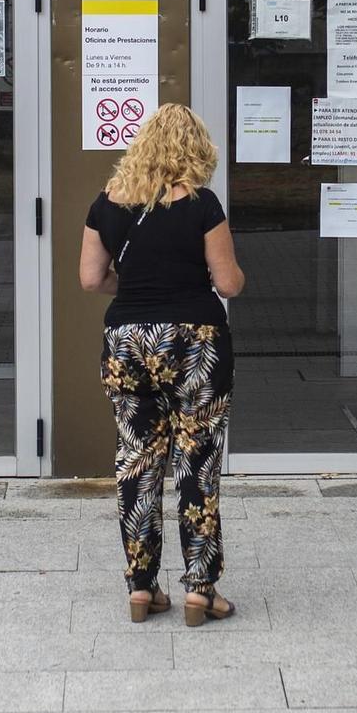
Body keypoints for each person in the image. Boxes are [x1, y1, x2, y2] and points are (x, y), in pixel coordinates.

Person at [80, 103, 245, 627]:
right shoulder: (203, 205)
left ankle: (142, 588)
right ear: (196, 149)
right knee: (197, 465)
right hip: (195, 341)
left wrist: (134, 290)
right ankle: (200, 589)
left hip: (127, 341)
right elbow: (228, 284)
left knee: (137, 462)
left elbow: (91, 279)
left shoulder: (105, 205)